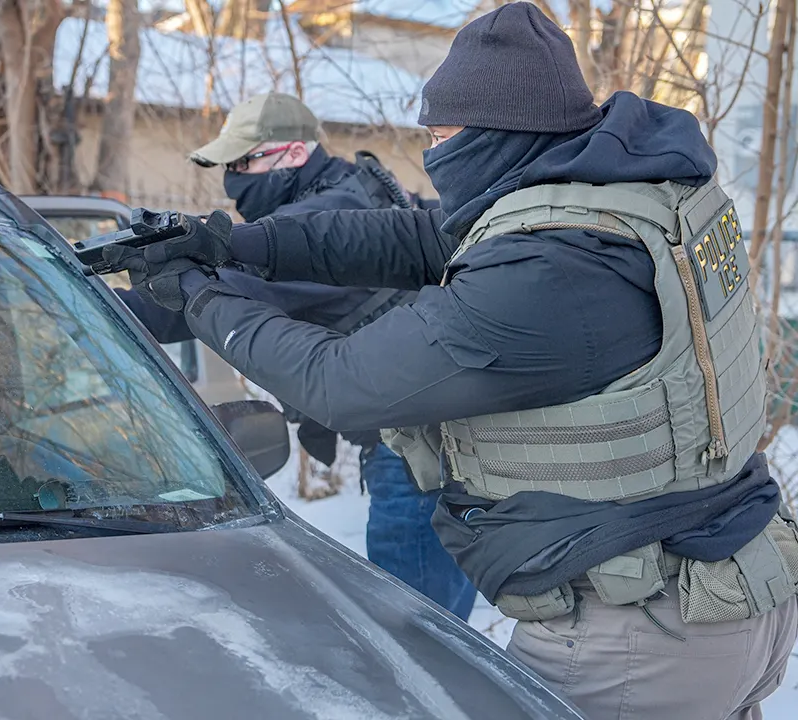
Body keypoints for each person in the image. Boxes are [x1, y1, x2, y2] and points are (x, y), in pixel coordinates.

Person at [100, 4, 798, 717]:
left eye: (441, 135)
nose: (433, 151)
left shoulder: (551, 274)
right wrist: (230, 243)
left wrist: (197, 297)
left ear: (498, 131)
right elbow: (415, 236)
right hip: (722, 593)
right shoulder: (623, 190)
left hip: (637, 633)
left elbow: (340, 382)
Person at [114, 91, 477, 619]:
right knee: (438, 626)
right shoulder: (353, 190)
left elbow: (208, 296)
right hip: (434, 440)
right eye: (228, 165)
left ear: (294, 154)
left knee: (415, 633)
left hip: (419, 452)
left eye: (245, 161)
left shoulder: (333, 213)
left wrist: (82, 302)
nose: (234, 178)